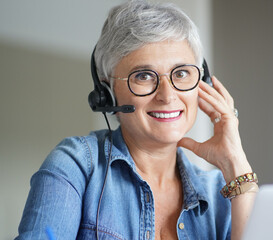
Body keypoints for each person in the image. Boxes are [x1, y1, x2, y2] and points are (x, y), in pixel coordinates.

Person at [16, 1, 258, 239]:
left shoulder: (223, 193)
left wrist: (236, 165)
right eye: (143, 75)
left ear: (201, 83)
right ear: (107, 92)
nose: (167, 95)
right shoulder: (76, 166)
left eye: (181, 73)